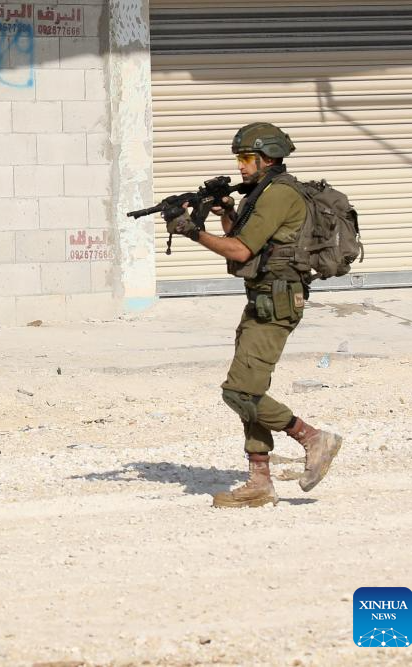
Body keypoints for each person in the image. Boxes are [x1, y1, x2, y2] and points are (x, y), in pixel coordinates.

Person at [163, 122, 343, 509]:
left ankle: (312, 437)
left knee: (239, 392)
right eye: (239, 159)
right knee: (251, 389)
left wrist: (192, 232)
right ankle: (259, 480)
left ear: (269, 158)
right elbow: (242, 237)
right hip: (261, 299)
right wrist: (227, 211)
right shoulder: (261, 194)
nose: (241, 167)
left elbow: (240, 252)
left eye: (246, 158)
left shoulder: (279, 194)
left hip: (276, 304)